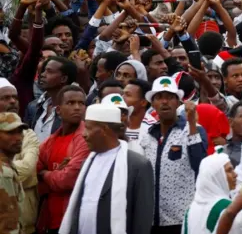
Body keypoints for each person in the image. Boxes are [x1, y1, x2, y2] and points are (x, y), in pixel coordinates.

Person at [58, 103, 154, 234]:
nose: (84, 135)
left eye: (88, 128)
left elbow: (142, 219)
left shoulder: (137, 165)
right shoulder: (87, 163)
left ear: (103, 129)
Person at [140, 76, 207, 234]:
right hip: (152, 220)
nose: (165, 102)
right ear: (153, 104)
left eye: (170, 98)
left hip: (181, 219)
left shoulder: (194, 129)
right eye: (159, 98)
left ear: (178, 103)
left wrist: (191, 125)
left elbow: (199, 164)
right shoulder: (148, 135)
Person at [36, 85, 91, 234]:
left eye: (81, 103)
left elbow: (66, 180)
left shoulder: (86, 139)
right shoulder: (50, 141)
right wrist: (54, 174)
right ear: (58, 110)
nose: (77, 107)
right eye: (71, 103)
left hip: (73, 220)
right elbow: (33, 172)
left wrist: (45, 174)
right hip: (50, 218)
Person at [0, 78, 39, 234]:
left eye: (15, 97)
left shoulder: (28, 134)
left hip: (25, 222)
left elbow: (28, 168)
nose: (12, 102)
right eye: (5, 98)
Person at [182, 153, 242, 234]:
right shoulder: (228, 208)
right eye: (229, 170)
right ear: (216, 176)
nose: (235, 175)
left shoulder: (190, 209)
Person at [26, 56, 78, 142]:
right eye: (44, 71)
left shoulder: (73, 111)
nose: (42, 75)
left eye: (49, 71)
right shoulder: (33, 106)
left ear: (63, 79)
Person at [0, 112, 28, 234]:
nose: (18, 138)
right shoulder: (4, 172)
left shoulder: (8, 165)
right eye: (10, 133)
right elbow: (8, 224)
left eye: (20, 131)